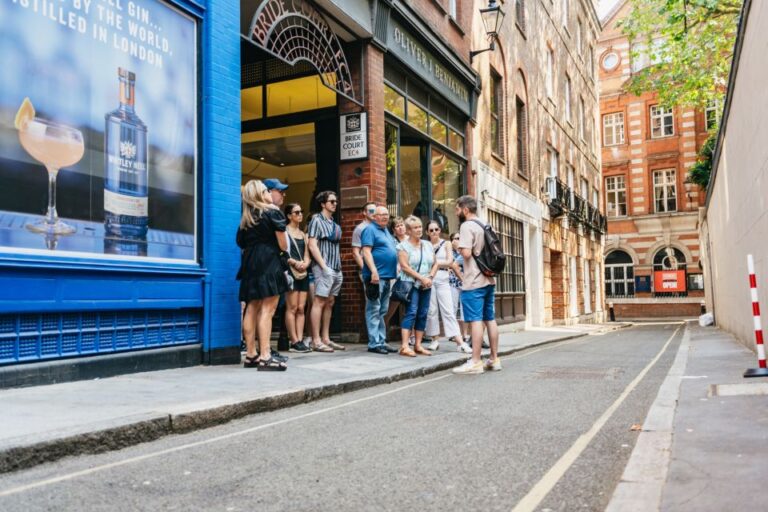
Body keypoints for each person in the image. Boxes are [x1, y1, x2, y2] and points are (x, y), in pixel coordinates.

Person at [237, 180, 289, 371]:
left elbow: (240, 243)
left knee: (251, 307)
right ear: (260, 194)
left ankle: (251, 355)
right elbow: (283, 245)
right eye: (266, 190)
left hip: (250, 263)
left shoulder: (246, 219)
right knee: (268, 308)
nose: (269, 192)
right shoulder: (273, 212)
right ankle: (265, 356)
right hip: (269, 261)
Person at [452, 195, 501, 374]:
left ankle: (475, 361)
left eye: (457, 210)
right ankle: (494, 359)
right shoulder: (485, 224)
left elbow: (465, 254)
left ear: (465, 210)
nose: (457, 213)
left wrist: (457, 244)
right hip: (489, 279)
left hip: (473, 281)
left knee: (475, 321)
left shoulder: (466, 226)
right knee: (490, 319)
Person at [425, 221, 472, 354]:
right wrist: (440, 264)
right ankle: (434, 339)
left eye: (436, 229)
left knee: (448, 311)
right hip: (430, 279)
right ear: (427, 232)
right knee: (432, 310)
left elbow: (450, 262)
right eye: (431, 230)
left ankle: (460, 342)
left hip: (443, 279)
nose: (434, 232)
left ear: (440, 230)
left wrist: (436, 264)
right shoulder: (426, 245)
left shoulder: (446, 243)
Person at [307, 190, 345, 352]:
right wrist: (323, 266)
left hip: (336, 267)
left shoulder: (334, 224)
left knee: (330, 302)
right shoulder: (316, 220)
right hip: (324, 267)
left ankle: (326, 338)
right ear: (323, 204)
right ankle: (316, 340)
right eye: (331, 201)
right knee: (319, 301)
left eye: (335, 201)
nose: (334, 204)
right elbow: (312, 244)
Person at [396, 215, 438, 357]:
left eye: (420, 226)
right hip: (411, 283)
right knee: (411, 312)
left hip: (426, 284)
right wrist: (422, 278)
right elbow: (405, 267)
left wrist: (430, 277)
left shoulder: (427, 244)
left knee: (423, 313)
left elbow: (435, 263)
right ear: (408, 230)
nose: (419, 230)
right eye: (415, 228)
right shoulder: (403, 246)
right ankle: (404, 346)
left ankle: (418, 345)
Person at [361, 206, 399, 354]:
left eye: (386, 214)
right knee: (373, 309)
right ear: (374, 216)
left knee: (382, 310)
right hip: (375, 278)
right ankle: (374, 343)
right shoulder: (370, 230)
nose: (384, 217)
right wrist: (373, 271)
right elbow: (366, 252)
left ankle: (381, 341)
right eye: (381, 214)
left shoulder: (386, 232)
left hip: (387, 277)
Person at [284, 202, 311, 353]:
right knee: (292, 307)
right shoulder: (285, 232)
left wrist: (306, 264)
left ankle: (300, 340)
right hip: (291, 271)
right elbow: (282, 252)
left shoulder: (303, 235)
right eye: (296, 212)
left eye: (301, 212)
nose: (300, 214)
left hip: (303, 272)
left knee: (301, 308)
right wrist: (294, 262)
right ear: (289, 216)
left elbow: (308, 254)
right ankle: (293, 340)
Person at [449, 232, 470, 342]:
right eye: (455, 238)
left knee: (464, 309)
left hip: (466, 283)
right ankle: (454, 334)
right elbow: (450, 265)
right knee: (452, 308)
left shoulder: (464, 251)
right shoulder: (450, 252)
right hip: (453, 282)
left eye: (459, 238)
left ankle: (464, 334)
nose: (458, 240)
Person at [351, 202, 377, 280]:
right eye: (371, 211)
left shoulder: (378, 227)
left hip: (381, 269)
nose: (374, 213)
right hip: (368, 269)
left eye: (376, 211)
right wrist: (366, 270)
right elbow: (355, 253)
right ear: (364, 212)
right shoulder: (360, 229)